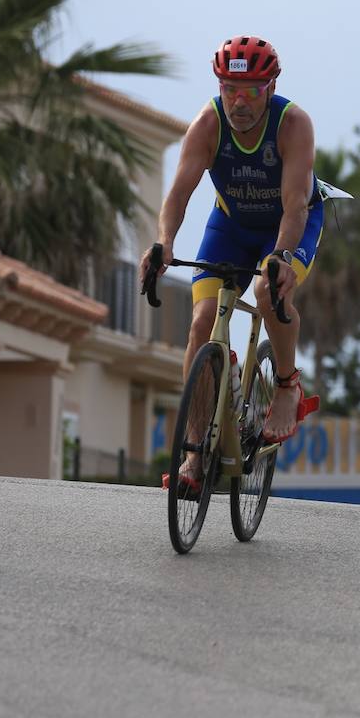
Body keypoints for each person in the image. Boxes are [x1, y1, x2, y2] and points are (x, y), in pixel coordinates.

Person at [140, 35, 322, 483]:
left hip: (288, 225)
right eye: (229, 90)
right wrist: (164, 243)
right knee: (201, 324)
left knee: (267, 288)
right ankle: (195, 453)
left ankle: (285, 385)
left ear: (272, 85)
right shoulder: (207, 124)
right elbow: (179, 194)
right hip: (231, 226)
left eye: (252, 91)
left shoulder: (292, 124)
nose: (239, 102)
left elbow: (296, 204)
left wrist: (280, 255)